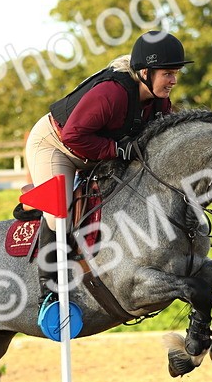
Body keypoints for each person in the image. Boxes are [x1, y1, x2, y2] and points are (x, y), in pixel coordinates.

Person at [22, 29, 193, 316]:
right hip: (57, 146)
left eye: (176, 73)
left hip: (94, 148)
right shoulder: (111, 94)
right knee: (60, 211)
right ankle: (48, 293)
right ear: (145, 72)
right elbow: (73, 137)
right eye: (168, 73)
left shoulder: (160, 100)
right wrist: (117, 149)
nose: (173, 80)